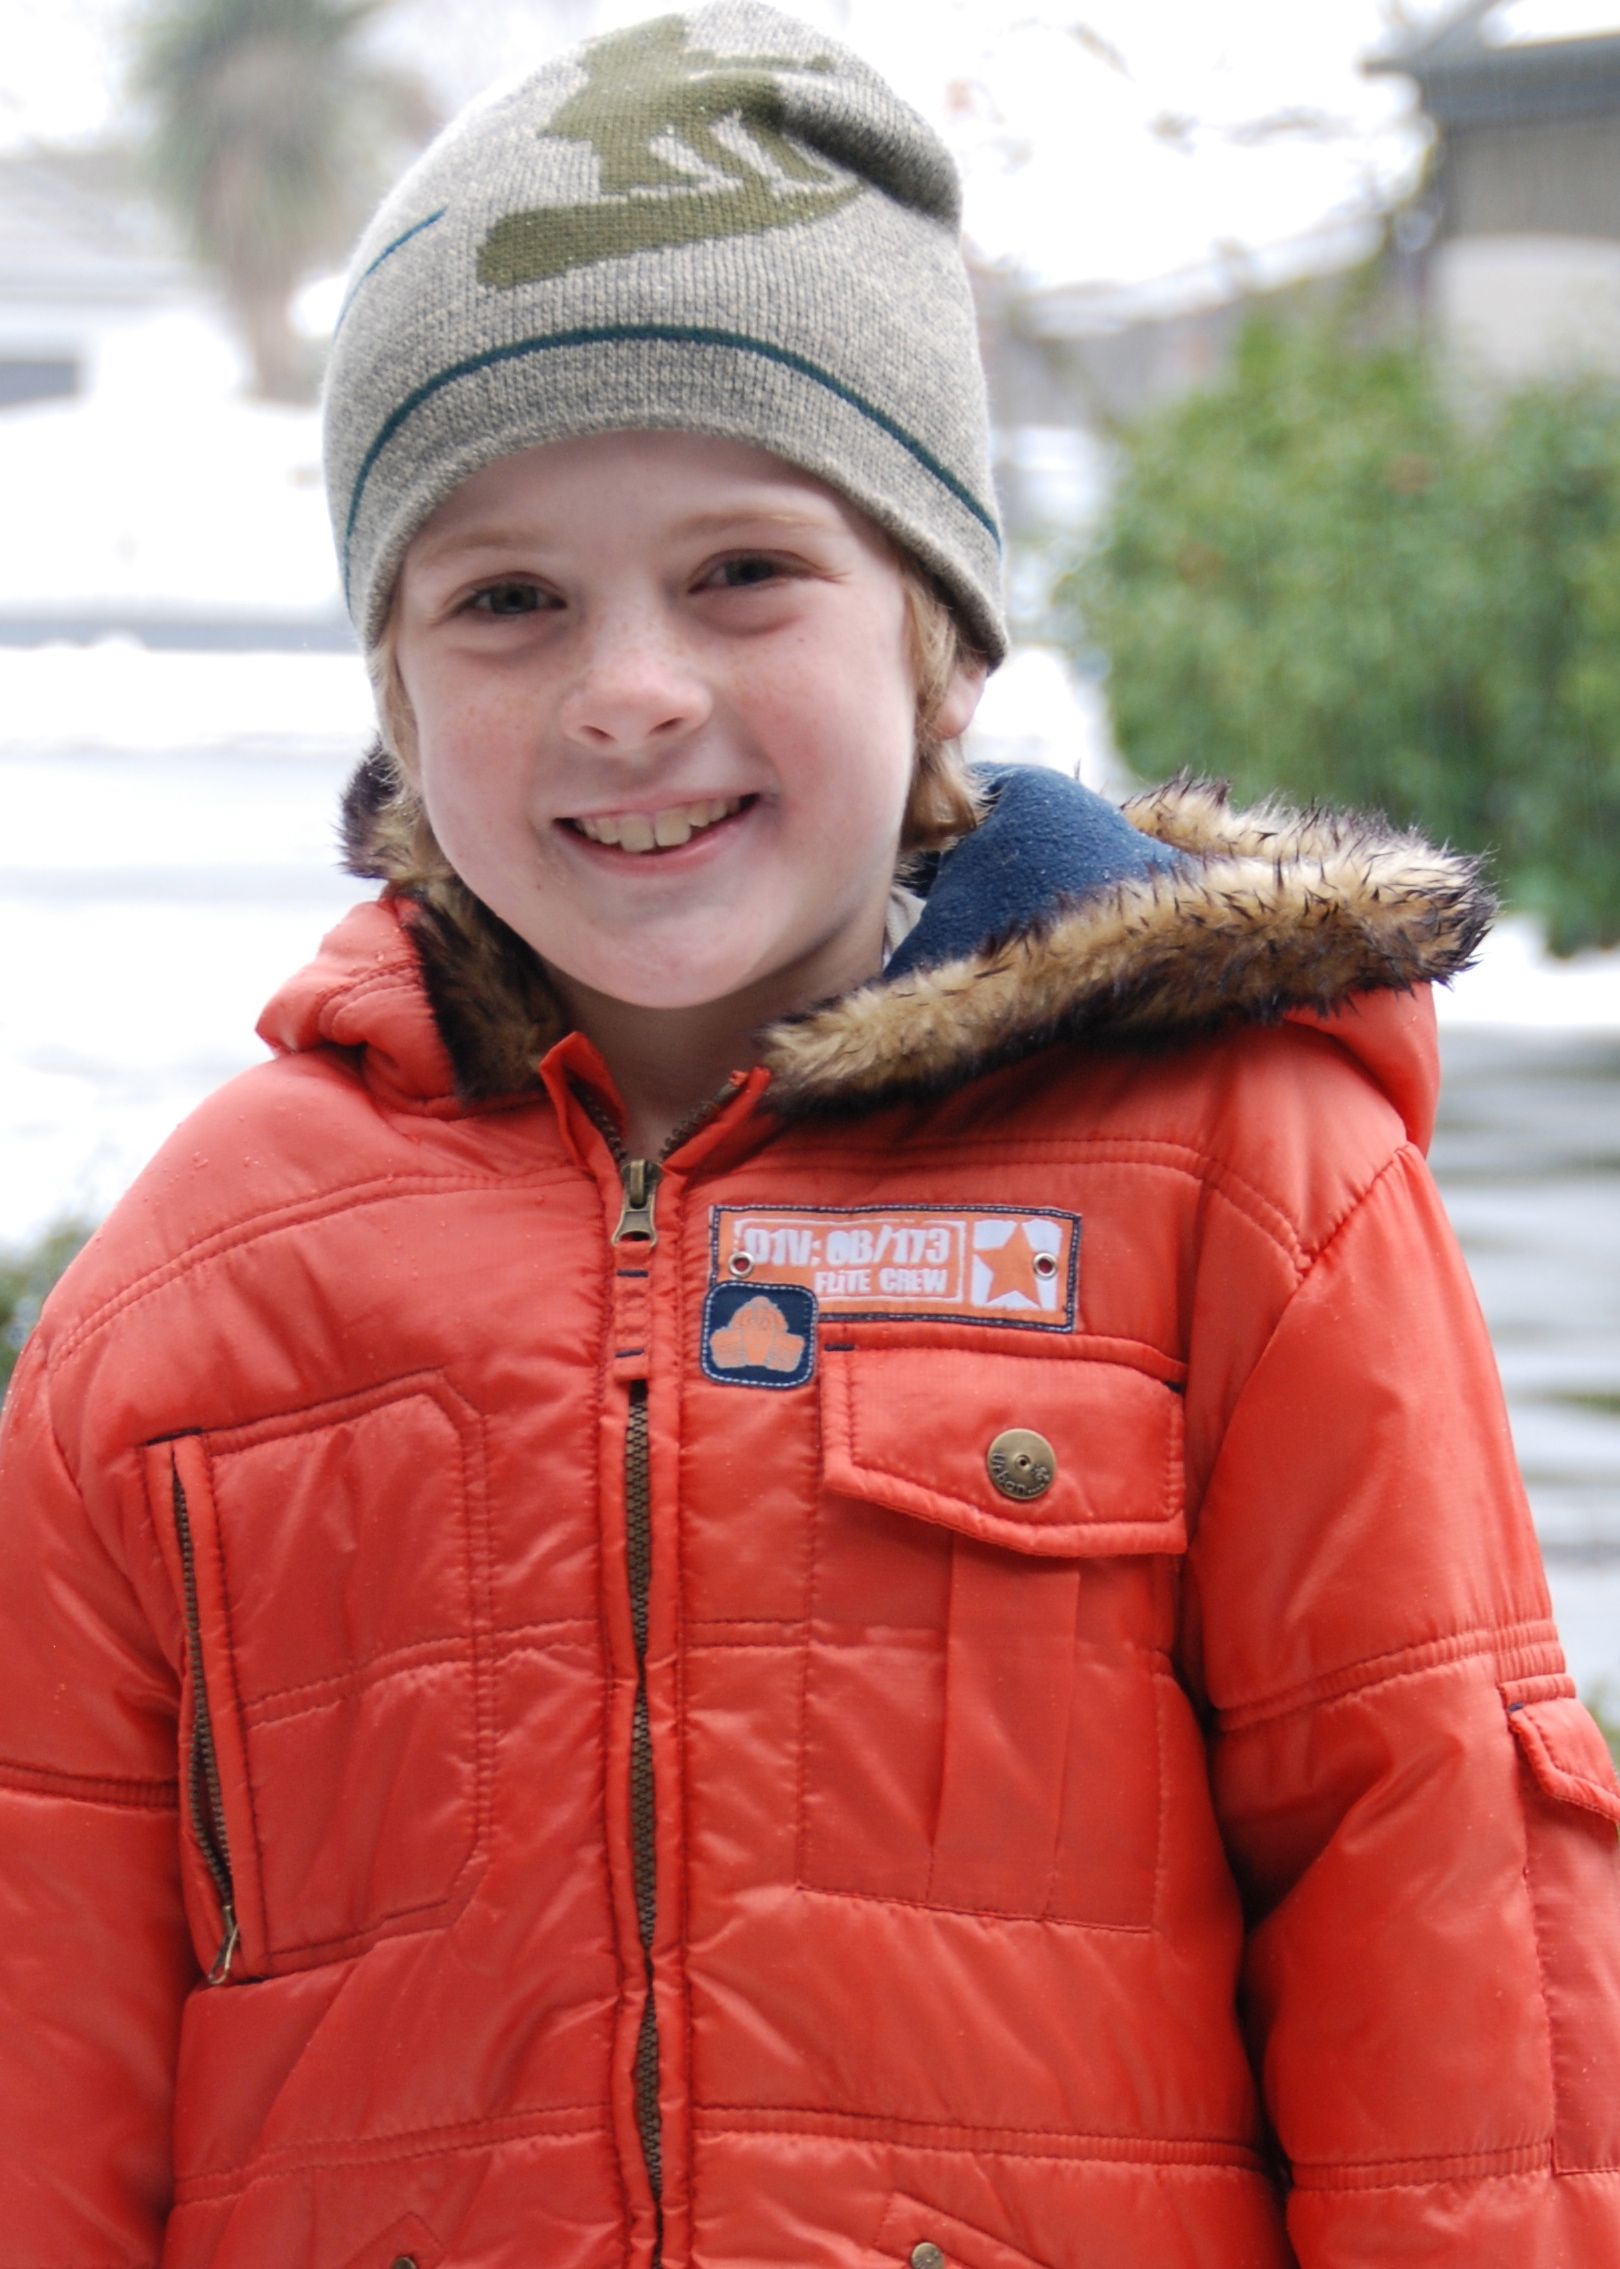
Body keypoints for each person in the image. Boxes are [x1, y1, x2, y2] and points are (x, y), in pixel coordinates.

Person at [2, 5, 1617, 2263]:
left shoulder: (1242, 1184)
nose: (629, 689)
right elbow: (49, 2039)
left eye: (742, 571)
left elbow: (1446, 1933)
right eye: (506, 599)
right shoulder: (201, 1289)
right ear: (395, 688)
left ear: (935, 639)